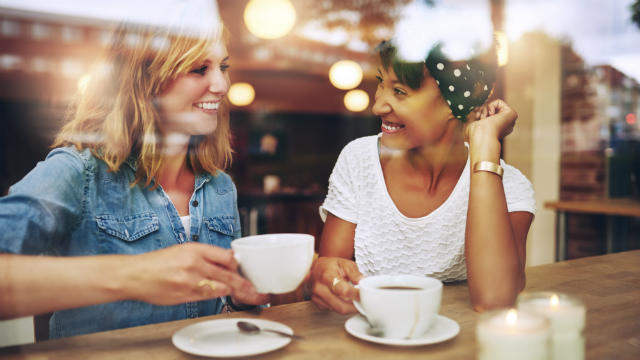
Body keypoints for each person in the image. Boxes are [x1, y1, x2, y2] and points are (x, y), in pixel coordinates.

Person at [0, 17, 268, 337]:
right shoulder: (77, 172)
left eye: (222, 66)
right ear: (144, 80)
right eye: (199, 69)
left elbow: (217, 306)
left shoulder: (220, 186)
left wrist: (239, 300)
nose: (221, 85)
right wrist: (133, 275)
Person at [310, 39, 535, 314]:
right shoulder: (359, 161)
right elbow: (332, 279)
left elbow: (493, 301)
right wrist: (322, 277)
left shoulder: (508, 185)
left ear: (456, 104)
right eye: (381, 83)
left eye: (400, 92)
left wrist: (486, 143)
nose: (378, 106)